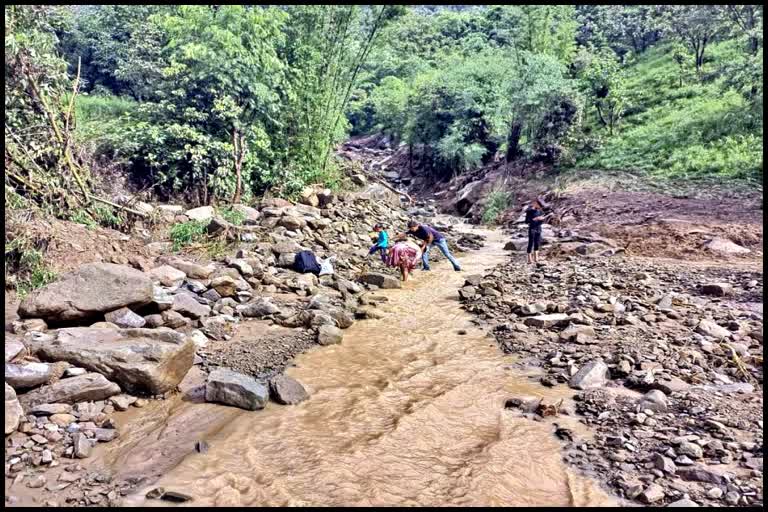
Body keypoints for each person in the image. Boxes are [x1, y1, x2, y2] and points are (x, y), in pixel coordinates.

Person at [525, 199, 550, 265]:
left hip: (538, 228)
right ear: (535, 204)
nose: (540, 207)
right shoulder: (529, 211)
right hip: (532, 228)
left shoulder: (540, 211)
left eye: (540, 206)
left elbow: (542, 221)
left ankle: (536, 258)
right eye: (539, 205)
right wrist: (534, 219)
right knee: (531, 242)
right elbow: (526, 221)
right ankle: (529, 259)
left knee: (537, 242)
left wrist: (542, 219)